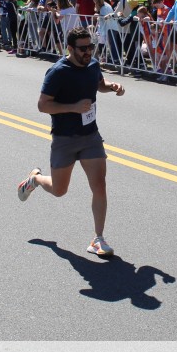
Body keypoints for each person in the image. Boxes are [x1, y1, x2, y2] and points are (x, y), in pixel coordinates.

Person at [16, 26, 125, 258]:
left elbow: (98, 84)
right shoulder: (58, 72)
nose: (88, 52)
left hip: (90, 136)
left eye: (90, 47)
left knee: (99, 185)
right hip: (64, 138)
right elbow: (43, 105)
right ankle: (35, 179)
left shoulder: (92, 65)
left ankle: (98, 239)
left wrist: (112, 87)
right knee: (59, 190)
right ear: (70, 48)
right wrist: (73, 108)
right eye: (82, 49)